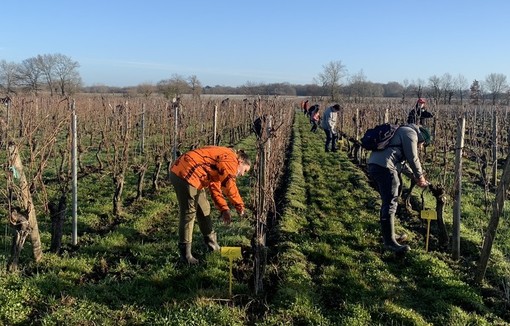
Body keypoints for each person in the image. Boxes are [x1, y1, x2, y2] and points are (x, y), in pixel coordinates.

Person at [170, 146, 251, 264]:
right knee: (189, 213)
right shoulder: (230, 159)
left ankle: (213, 247)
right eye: (245, 170)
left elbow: (215, 187)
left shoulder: (224, 162)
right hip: (185, 173)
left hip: (195, 175)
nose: (243, 175)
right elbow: (229, 184)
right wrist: (239, 205)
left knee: (204, 209)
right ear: (241, 161)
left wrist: (224, 209)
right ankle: (186, 256)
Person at [367, 124, 431, 254]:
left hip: (376, 165)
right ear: (422, 138)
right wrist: (420, 177)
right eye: (422, 144)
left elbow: (401, 163)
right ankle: (390, 242)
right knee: (390, 202)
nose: (421, 147)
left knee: (388, 201)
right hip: (385, 168)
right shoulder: (410, 133)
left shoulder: (401, 132)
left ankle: (389, 235)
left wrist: (414, 176)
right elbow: (413, 158)